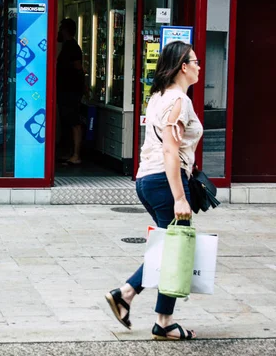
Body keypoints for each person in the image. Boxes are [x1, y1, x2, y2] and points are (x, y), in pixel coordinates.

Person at [105, 41, 203, 340]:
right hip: (165, 180)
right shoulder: (179, 101)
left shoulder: (159, 96)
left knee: (167, 247)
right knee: (175, 250)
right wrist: (180, 197)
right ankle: (161, 319)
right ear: (183, 66)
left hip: (148, 179)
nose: (200, 66)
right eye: (196, 61)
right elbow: (171, 151)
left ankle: (128, 295)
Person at [56, 18, 85, 165]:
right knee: (67, 120)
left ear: (65, 30)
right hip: (66, 90)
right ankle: (70, 152)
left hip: (71, 91)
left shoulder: (72, 47)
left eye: (60, 28)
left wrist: (81, 88)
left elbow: (78, 68)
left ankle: (76, 154)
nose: (58, 32)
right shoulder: (67, 46)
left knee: (74, 121)